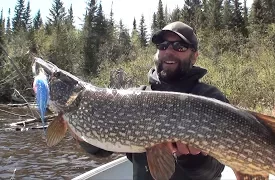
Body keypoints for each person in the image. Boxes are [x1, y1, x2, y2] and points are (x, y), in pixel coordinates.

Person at [78, 21, 230, 180]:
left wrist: (193, 158)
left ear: (195, 56)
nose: (169, 51)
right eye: (163, 45)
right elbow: (103, 148)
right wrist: (80, 131)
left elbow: (215, 169)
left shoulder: (211, 99)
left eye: (180, 46)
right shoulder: (134, 98)